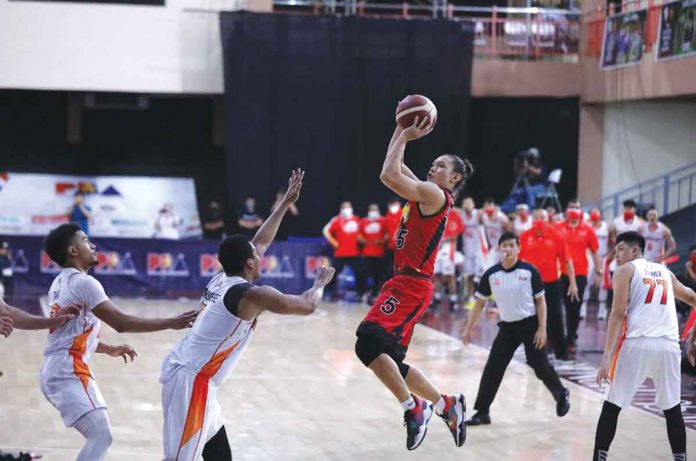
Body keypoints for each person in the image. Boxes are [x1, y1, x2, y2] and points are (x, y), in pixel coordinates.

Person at [160, 169, 336, 460]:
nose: (261, 253)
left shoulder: (222, 277)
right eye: (256, 254)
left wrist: (282, 205)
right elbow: (307, 305)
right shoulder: (252, 294)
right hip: (192, 382)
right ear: (250, 262)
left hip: (197, 379)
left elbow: (261, 241)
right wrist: (319, 283)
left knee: (220, 456)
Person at [354, 117, 471, 451]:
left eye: (440, 166)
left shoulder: (435, 194)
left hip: (412, 284)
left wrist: (404, 133)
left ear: (454, 177)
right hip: (404, 283)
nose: (433, 168)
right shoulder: (425, 191)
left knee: (367, 343)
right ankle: (446, 405)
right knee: (390, 359)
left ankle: (414, 407)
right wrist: (398, 129)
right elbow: (394, 166)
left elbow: (389, 175)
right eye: (432, 164)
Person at [40, 223, 198, 461]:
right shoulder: (85, 283)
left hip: (57, 367)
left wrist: (107, 348)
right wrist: (171, 322)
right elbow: (121, 322)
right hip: (68, 369)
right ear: (73, 250)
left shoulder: (60, 283)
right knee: (101, 435)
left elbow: (70, 332)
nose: (92, 245)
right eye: (85, 240)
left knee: (100, 435)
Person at [594, 231, 696, 461]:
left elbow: (618, 313)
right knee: (672, 409)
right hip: (669, 348)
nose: (616, 254)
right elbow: (693, 298)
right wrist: (692, 339)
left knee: (612, 405)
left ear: (635, 250)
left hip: (638, 344)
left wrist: (606, 357)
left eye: (620, 249)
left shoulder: (625, 270)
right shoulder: (665, 272)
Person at [462, 232, 569, 426]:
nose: (508, 249)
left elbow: (541, 301)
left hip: (531, 325)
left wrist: (542, 329)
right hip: (508, 328)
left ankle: (561, 394)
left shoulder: (530, 271)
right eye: (505, 245)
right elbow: (479, 304)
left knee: (539, 364)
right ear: (499, 249)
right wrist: (469, 328)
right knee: (493, 367)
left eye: (512, 245)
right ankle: (482, 411)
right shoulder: (491, 274)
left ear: (518, 248)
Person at [519, 208, 578, 360]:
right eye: (537, 217)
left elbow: (566, 260)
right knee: (531, 319)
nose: (539, 221)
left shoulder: (556, 235)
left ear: (548, 219)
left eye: (542, 218)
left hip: (552, 283)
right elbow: (517, 261)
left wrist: (572, 283)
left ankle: (561, 354)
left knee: (556, 318)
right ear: (532, 220)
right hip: (530, 285)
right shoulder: (525, 237)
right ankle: (534, 353)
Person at [555, 200, 601, 355]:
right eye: (571, 207)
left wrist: (599, 272)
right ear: (567, 210)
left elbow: (594, 252)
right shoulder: (559, 227)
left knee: (575, 307)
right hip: (561, 273)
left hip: (581, 273)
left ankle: (572, 337)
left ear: (581, 211)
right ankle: (557, 337)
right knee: (562, 306)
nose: (573, 210)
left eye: (576, 207)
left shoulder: (587, 230)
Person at [323, 201, 362, 300]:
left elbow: (362, 233)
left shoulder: (357, 220)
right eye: (344, 207)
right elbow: (326, 231)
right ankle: (329, 293)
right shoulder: (337, 220)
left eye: (348, 207)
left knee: (360, 272)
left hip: (354, 252)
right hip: (340, 252)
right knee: (333, 273)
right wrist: (333, 242)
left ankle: (360, 293)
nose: (346, 209)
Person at [433, 208, 465, 310]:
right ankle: (436, 298)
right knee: (437, 275)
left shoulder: (454, 215)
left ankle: (453, 300)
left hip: (448, 249)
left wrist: (443, 239)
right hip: (437, 249)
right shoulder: (436, 213)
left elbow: (455, 235)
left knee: (449, 276)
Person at [459, 197, 488, 307]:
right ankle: (471, 299)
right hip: (467, 251)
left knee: (481, 277)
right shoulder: (461, 215)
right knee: (469, 276)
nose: (466, 205)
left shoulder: (478, 214)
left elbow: (483, 212)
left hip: (479, 250)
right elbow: (452, 209)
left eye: (469, 203)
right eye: (464, 203)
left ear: (473, 205)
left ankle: (483, 299)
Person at [584, 208, 610, 320]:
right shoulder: (587, 227)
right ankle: (583, 307)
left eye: (596, 211)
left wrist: (609, 256)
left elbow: (611, 242)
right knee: (587, 281)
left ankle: (602, 309)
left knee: (603, 283)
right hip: (590, 256)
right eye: (592, 212)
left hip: (603, 256)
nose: (594, 213)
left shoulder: (607, 227)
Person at [359, 203, 388, 304]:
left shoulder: (383, 221)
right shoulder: (363, 221)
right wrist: (365, 241)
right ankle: (364, 293)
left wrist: (381, 241)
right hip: (366, 253)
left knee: (378, 276)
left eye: (375, 209)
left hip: (379, 253)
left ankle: (375, 294)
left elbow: (388, 234)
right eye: (371, 210)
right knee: (364, 274)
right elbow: (358, 236)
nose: (373, 211)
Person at [480, 198, 510, 269]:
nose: (487, 207)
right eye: (486, 206)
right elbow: (479, 221)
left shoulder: (500, 216)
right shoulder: (484, 216)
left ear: (494, 206)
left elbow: (509, 231)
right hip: (493, 247)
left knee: (505, 268)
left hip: (503, 247)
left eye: (490, 205)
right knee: (487, 268)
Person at [383, 198, 402, 281]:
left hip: (402, 246)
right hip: (390, 246)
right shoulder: (388, 215)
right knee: (390, 268)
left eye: (395, 204)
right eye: (392, 205)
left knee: (401, 267)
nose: (393, 207)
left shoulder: (403, 213)